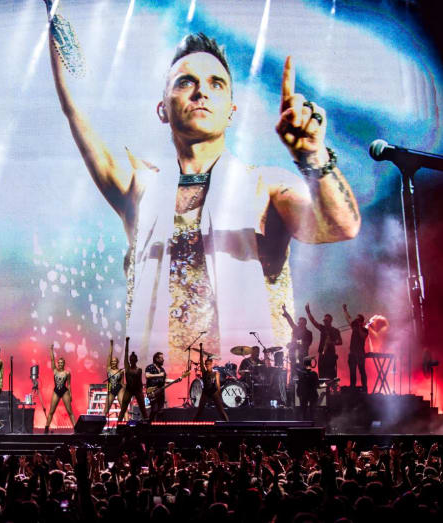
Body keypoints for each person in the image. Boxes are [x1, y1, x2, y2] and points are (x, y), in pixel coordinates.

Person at [45, 7, 360, 372]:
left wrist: (313, 156)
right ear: (163, 109)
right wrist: (56, 10)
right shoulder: (138, 187)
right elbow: (79, 105)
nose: (201, 92)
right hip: (156, 394)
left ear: (231, 111)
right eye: (185, 82)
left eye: (216, 84)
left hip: (252, 395)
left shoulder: (267, 186)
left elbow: (340, 226)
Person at [44, 344, 77, 433]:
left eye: (61, 363)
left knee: (70, 411)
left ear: (64, 364)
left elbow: (69, 385)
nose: (60, 364)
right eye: (59, 363)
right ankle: (46, 428)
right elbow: (52, 360)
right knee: (51, 411)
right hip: (56, 391)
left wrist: (70, 395)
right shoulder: (55, 371)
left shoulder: (67, 373)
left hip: (64, 391)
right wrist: (51, 350)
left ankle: (76, 428)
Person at [305, 304, 342, 379]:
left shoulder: (335, 330)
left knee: (331, 374)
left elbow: (340, 342)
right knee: (322, 374)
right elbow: (313, 321)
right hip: (322, 354)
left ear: (330, 321)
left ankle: (331, 386)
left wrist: (331, 342)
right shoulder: (322, 328)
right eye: (324, 320)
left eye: (326, 320)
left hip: (331, 355)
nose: (325, 322)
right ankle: (323, 386)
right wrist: (308, 313)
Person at [117, 337, 148, 422]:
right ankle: (119, 425)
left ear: (136, 360)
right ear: (130, 360)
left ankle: (148, 425)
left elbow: (139, 382)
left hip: (137, 390)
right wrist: (127, 342)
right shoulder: (127, 368)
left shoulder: (139, 370)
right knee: (123, 409)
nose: (132, 360)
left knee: (143, 408)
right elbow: (126, 354)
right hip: (129, 390)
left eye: (133, 359)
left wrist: (141, 390)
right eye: (131, 359)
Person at [194, 351, 229, 422]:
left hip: (213, 391)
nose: (207, 365)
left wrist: (219, 394)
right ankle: (193, 424)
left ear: (211, 364)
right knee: (199, 411)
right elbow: (201, 363)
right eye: (206, 364)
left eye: (209, 364)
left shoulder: (215, 373)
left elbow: (218, 384)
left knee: (221, 411)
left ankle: (228, 424)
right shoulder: (204, 372)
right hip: (206, 392)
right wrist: (201, 350)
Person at [343, 304, 369, 391]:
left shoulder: (365, 330)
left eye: (358, 319)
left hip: (360, 354)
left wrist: (359, 327)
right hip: (352, 353)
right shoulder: (354, 327)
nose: (356, 320)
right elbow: (348, 319)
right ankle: (352, 387)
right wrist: (345, 310)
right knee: (352, 372)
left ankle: (364, 388)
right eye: (356, 319)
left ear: (361, 321)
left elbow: (363, 336)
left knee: (362, 371)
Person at [145, 352, 174, 421]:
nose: (163, 360)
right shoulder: (150, 367)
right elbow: (147, 375)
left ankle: (158, 425)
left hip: (161, 393)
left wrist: (175, 380)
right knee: (154, 409)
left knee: (160, 411)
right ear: (156, 359)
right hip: (152, 392)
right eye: (161, 358)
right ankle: (150, 423)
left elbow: (165, 380)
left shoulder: (162, 370)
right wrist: (159, 375)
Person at [103, 340, 125, 417]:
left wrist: (125, 391)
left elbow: (122, 383)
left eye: (115, 361)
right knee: (106, 410)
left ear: (117, 362)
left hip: (119, 388)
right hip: (110, 389)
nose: (113, 362)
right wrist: (111, 345)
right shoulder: (108, 369)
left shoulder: (120, 371)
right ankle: (101, 423)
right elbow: (109, 355)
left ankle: (127, 423)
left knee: (123, 407)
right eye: (112, 361)